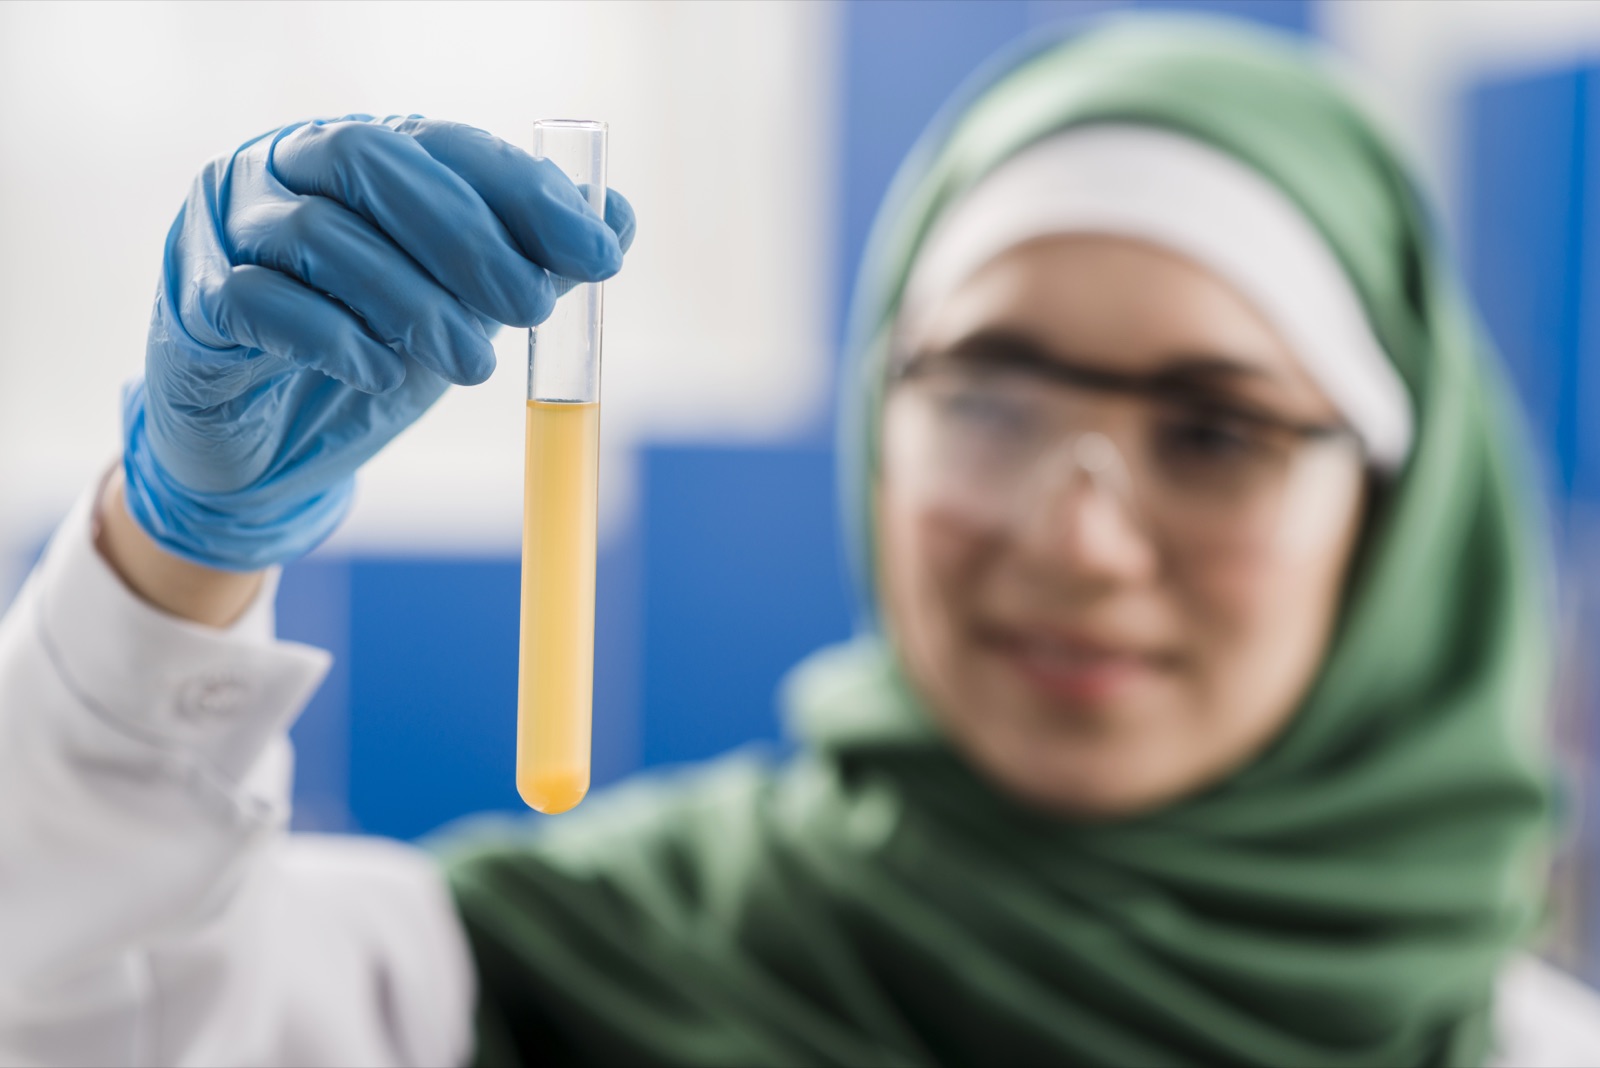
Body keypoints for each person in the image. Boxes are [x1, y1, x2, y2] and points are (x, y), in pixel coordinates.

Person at [2, 14, 1598, 1068]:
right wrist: (175, 556)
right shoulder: (531, 981)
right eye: (990, 394)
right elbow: (76, 998)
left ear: (1391, 519)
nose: (1084, 538)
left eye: (1215, 431)